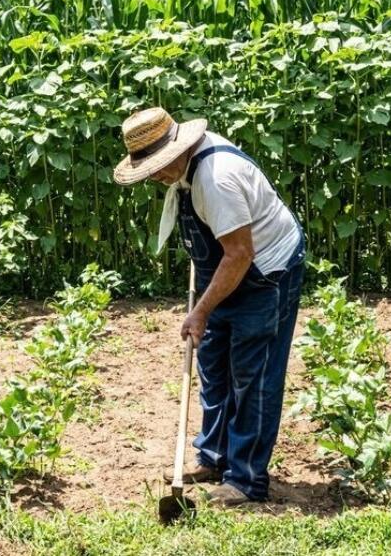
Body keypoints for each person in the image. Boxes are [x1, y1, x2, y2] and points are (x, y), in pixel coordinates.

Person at [112, 106, 306, 506]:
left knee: (253, 375)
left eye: (157, 168)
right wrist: (206, 301)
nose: (155, 177)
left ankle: (246, 479)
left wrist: (201, 310)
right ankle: (213, 458)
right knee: (214, 364)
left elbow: (239, 253)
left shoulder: (215, 179)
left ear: (177, 151)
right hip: (230, 268)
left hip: (266, 272)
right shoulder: (187, 172)